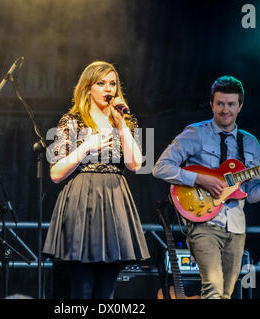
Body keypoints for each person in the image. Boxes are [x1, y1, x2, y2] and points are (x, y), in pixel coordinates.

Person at [152, 75, 260, 299]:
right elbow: (160, 168)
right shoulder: (195, 133)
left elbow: (252, 193)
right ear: (212, 104)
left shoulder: (251, 143)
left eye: (231, 104)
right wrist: (200, 179)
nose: (225, 109)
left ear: (240, 106)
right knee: (213, 288)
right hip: (203, 222)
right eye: (220, 104)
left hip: (236, 226)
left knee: (225, 294)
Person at [43, 61, 150, 299]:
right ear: (88, 88)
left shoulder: (125, 121)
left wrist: (122, 124)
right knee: (82, 288)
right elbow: (56, 173)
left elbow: (136, 164)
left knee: (106, 291)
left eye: (112, 83)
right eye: (101, 83)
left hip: (114, 200)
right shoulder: (72, 120)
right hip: (82, 199)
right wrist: (85, 147)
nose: (108, 89)